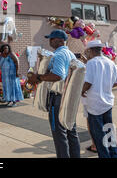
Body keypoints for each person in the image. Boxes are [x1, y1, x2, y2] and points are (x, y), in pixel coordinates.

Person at [34, 30, 80, 158]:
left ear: (59, 40)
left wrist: (39, 78)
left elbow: (58, 75)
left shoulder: (59, 54)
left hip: (58, 98)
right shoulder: (70, 54)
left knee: (59, 133)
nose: (49, 41)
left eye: (51, 39)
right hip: (69, 97)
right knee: (71, 130)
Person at [81, 40, 117, 158]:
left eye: (87, 52)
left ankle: (105, 156)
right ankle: (114, 154)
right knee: (109, 131)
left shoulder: (91, 63)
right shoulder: (110, 62)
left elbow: (88, 82)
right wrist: (105, 87)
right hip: (108, 102)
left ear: (90, 50)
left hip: (95, 104)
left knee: (99, 134)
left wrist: (81, 90)